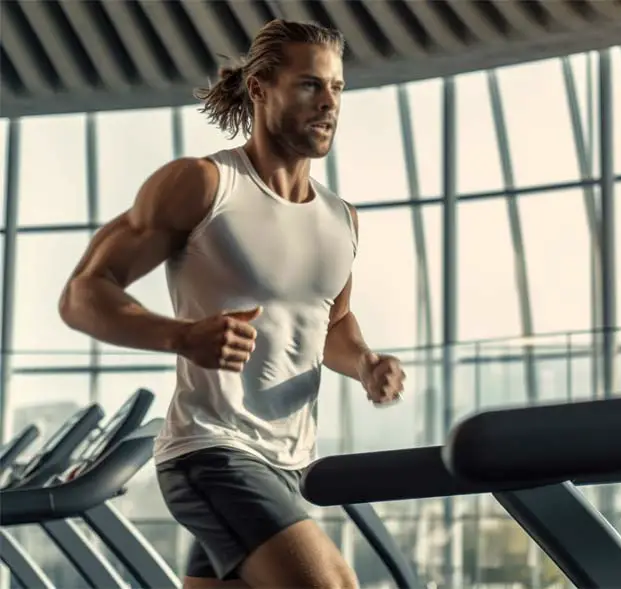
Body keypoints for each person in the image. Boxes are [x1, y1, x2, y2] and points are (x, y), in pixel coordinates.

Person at [59, 19, 406, 589]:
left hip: (289, 463)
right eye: (309, 86)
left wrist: (366, 361)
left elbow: (331, 324)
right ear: (260, 89)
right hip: (212, 452)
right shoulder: (204, 184)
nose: (328, 104)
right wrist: (181, 336)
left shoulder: (341, 218)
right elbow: (83, 294)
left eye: (337, 88)